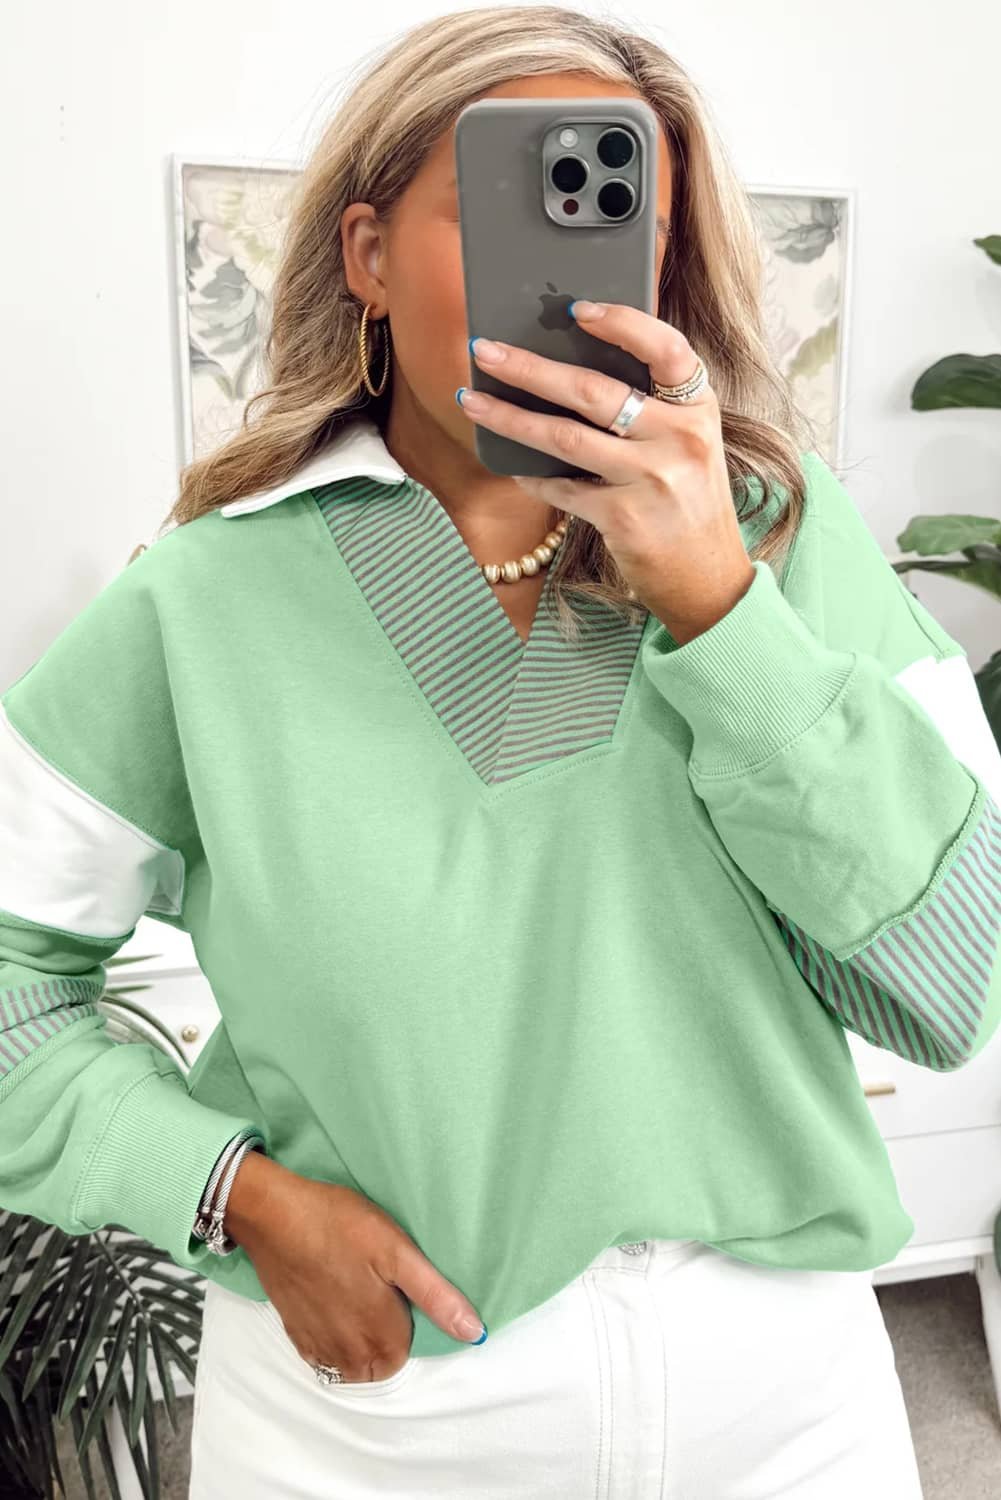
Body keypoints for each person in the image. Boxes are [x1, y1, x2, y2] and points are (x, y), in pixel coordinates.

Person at [2, 7, 999, 1496]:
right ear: (366, 257)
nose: (575, 273)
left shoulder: (787, 543)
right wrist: (229, 1191)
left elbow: (953, 983)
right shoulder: (197, 604)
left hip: (787, 1411)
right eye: (506, 202)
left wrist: (723, 614)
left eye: (620, 217)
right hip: (369, 1419)